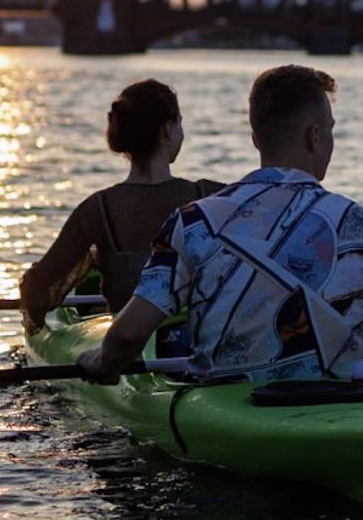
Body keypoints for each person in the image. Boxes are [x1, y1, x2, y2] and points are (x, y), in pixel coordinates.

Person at [78, 64, 363, 385]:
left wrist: (102, 364)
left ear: (255, 139)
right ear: (314, 136)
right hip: (346, 408)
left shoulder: (194, 222)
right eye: (330, 131)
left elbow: (128, 336)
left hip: (227, 412)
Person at [18, 80, 218, 332]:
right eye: (179, 122)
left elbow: (41, 285)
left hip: (128, 344)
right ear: (168, 129)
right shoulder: (209, 196)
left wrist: (33, 317)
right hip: (198, 343)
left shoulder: (97, 209)